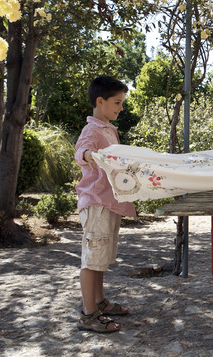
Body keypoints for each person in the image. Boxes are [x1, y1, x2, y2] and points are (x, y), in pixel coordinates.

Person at [74, 76, 137, 333]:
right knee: (92, 258)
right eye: (117, 102)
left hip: (110, 203)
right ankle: (88, 314)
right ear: (100, 102)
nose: (121, 108)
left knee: (101, 258)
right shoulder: (92, 130)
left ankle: (99, 302)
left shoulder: (109, 129)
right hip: (97, 202)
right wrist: (90, 155)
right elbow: (81, 151)